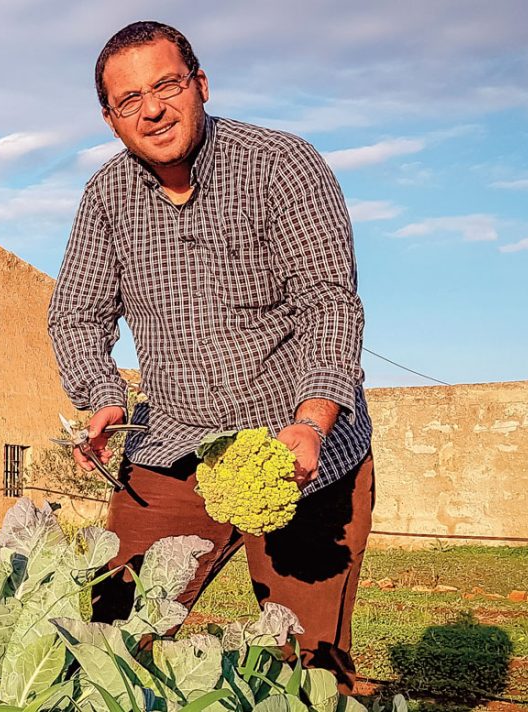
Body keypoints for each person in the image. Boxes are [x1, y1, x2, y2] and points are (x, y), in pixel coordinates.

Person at [47, 20, 374, 693]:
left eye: (166, 85)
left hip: (295, 454)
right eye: (129, 99)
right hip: (173, 448)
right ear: (110, 119)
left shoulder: (281, 164)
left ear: (199, 84)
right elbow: (77, 313)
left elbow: (329, 302)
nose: (152, 110)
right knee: (112, 639)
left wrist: (312, 421)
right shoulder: (106, 197)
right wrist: (102, 394)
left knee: (310, 669)